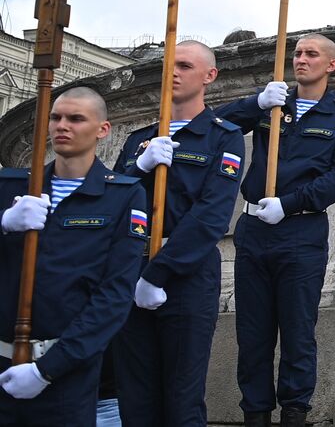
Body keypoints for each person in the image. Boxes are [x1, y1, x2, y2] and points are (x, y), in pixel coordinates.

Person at [218, 33, 335, 427]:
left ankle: (295, 413)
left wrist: (291, 202)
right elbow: (216, 126)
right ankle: (255, 414)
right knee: (252, 332)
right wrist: (256, 103)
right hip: (254, 230)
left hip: (300, 232)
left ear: (330, 65)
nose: (301, 59)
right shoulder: (274, 103)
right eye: (298, 53)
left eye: (311, 54)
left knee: (298, 330)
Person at [113, 41, 245, 426]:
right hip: (130, 270)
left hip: (186, 275)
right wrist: (138, 167)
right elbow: (114, 203)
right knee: (135, 398)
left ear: (209, 76)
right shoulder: (140, 139)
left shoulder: (223, 136)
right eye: (170, 63)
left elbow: (211, 216)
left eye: (185, 65)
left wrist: (159, 272)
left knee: (182, 399)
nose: (173, 72)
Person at [0, 87, 145, 425]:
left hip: (66, 376)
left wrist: (46, 371)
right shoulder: (12, 187)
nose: (62, 126)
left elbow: (114, 296)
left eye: (76, 118)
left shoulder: (122, 195)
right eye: (56, 118)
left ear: (102, 129)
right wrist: (4, 224)